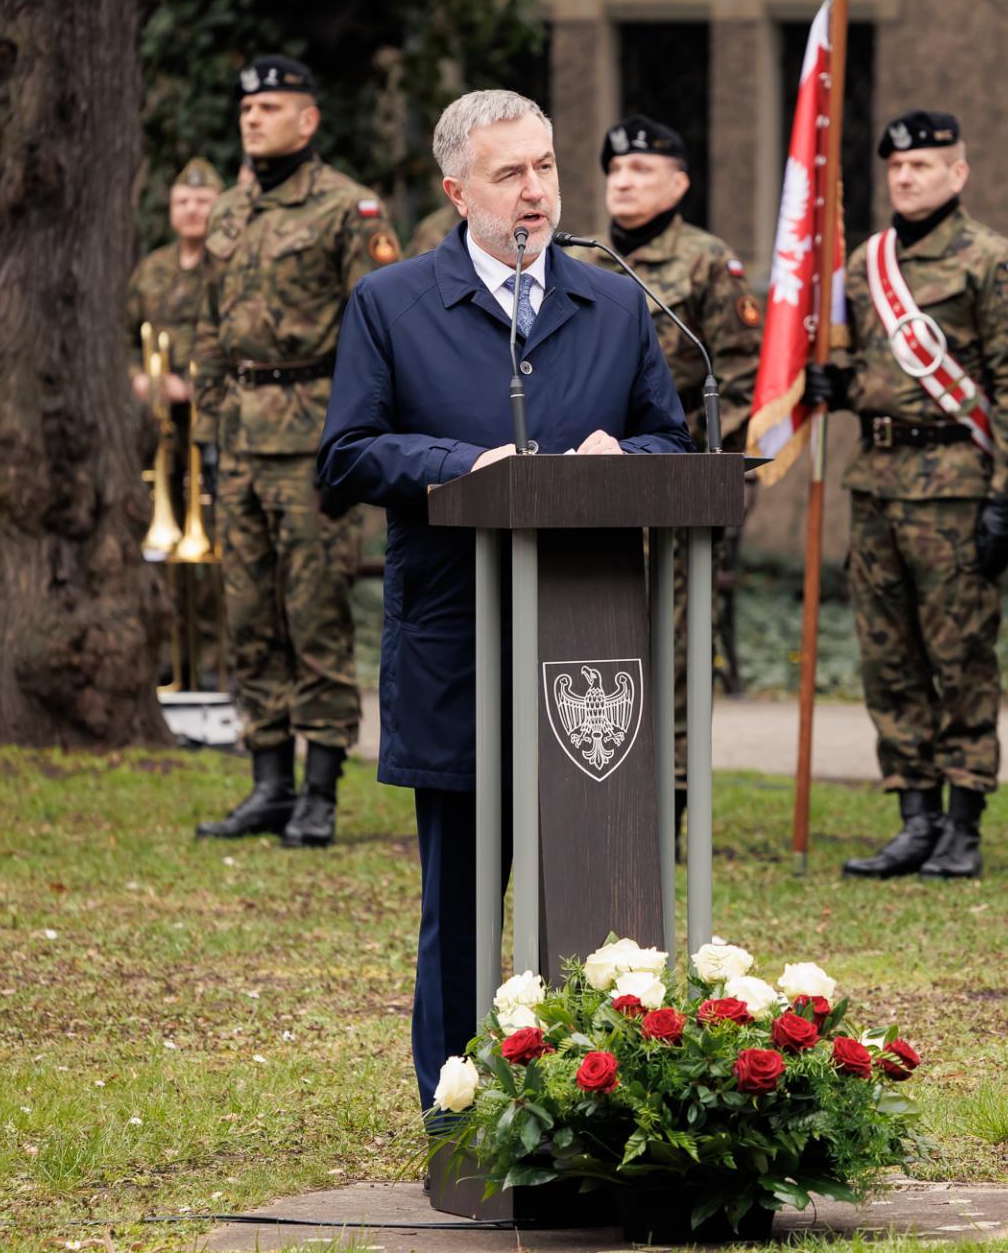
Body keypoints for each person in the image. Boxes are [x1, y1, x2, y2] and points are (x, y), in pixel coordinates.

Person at [317, 90, 692, 1110]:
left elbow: (670, 438)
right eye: (509, 174)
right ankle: (460, 1110)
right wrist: (465, 464)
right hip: (460, 642)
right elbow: (345, 454)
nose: (536, 191)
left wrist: (630, 454)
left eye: (545, 167)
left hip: (592, 662)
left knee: (605, 892)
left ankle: (614, 1099)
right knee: (465, 901)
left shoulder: (615, 303)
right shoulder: (392, 303)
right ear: (456, 190)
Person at [805, 108, 1008, 881]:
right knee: (890, 658)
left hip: (955, 489)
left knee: (961, 656)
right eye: (897, 168)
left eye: (924, 165)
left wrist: (1007, 496)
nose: (906, 177)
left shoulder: (990, 262)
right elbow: (867, 370)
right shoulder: (863, 263)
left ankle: (965, 822)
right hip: (873, 484)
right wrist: (832, 387)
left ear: (958, 173)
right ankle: (915, 814)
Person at [191, 56, 400, 848]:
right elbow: (210, 324)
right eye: (246, 107)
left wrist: (352, 442)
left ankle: (320, 789)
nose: (252, 117)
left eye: (270, 106)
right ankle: (267, 780)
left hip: (312, 433)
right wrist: (212, 417)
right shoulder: (230, 211)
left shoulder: (348, 208)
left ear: (307, 120)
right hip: (240, 436)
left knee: (313, 615)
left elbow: (373, 332)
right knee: (247, 613)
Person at [571, 116, 762, 826]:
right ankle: (596, 780)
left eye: (643, 170)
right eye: (616, 171)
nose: (624, 180)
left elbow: (742, 373)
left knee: (674, 644)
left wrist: (710, 464)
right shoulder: (578, 261)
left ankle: (671, 798)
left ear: (679, 184)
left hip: (670, 480)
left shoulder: (708, 261)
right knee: (593, 632)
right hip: (586, 484)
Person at [126, 157, 225, 403]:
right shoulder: (151, 267)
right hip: (155, 409)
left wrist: (192, 387)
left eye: (203, 201)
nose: (191, 209)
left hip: (215, 405)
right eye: (182, 202)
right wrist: (139, 377)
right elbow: (123, 335)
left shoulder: (231, 265)